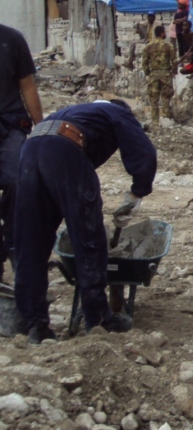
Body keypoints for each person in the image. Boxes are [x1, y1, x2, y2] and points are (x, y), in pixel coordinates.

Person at [14, 99, 157, 343]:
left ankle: (34, 324)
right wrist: (137, 192)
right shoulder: (117, 111)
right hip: (64, 150)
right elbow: (144, 151)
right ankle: (99, 318)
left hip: (29, 152)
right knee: (88, 236)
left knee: (31, 241)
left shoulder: (77, 110)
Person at [0, 24, 43, 279]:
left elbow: (27, 85)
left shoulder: (12, 39)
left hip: (10, 123)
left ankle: (15, 243)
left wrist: (42, 128)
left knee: (17, 180)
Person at [141, 26, 176, 126]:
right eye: (164, 32)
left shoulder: (148, 46)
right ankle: (166, 119)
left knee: (154, 98)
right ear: (161, 33)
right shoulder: (168, 45)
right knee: (166, 97)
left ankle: (155, 121)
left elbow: (145, 62)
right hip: (165, 73)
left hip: (154, 74)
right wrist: (173, 71)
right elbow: (174, 61)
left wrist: (148, 73)